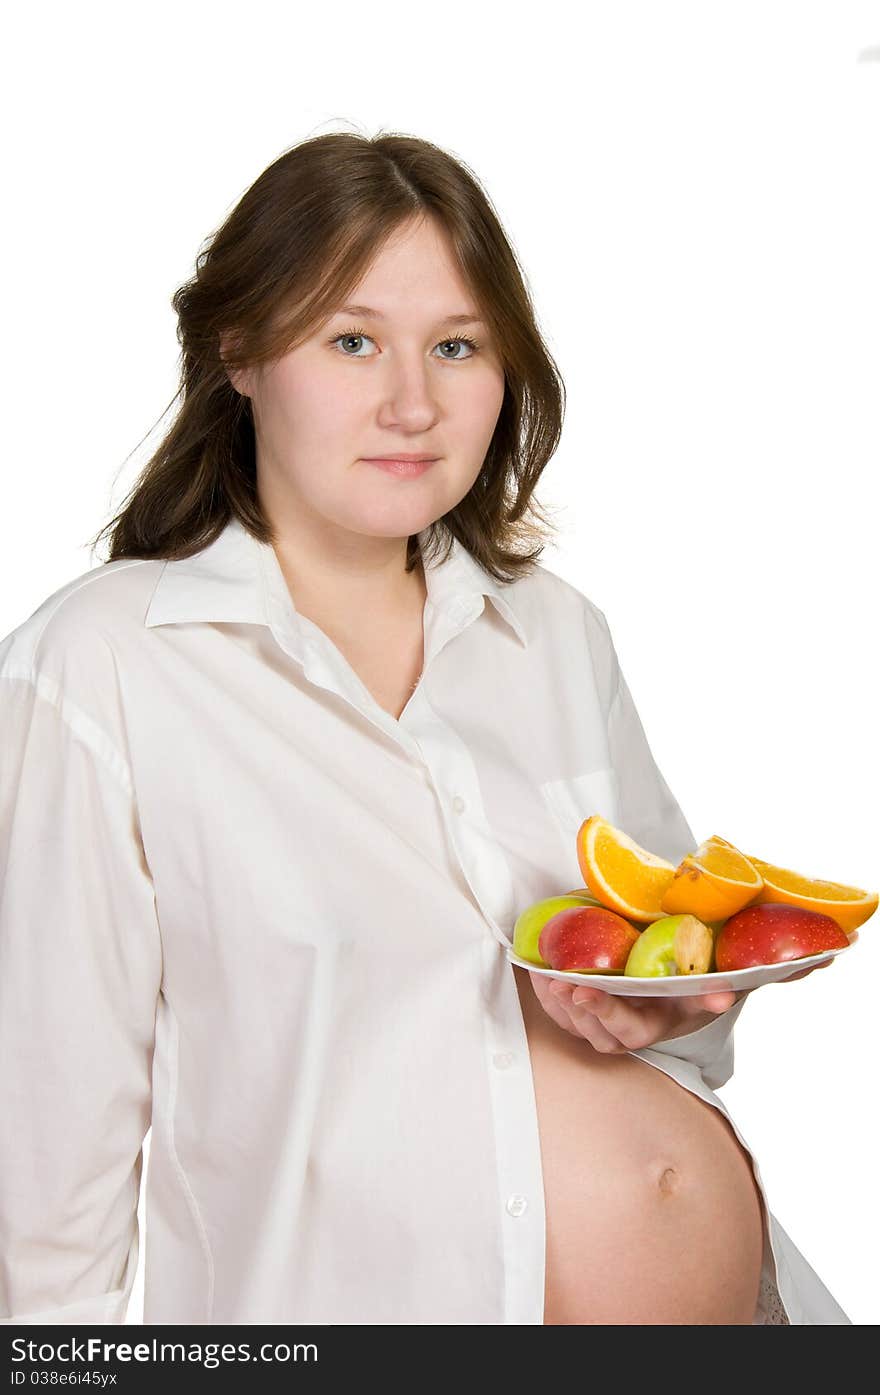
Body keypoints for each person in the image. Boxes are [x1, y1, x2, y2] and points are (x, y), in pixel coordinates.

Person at [0, 131, 851, 1326]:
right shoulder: (103, 668)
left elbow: (670, 1019)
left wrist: (670, 1008)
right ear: (237, 353)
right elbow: (45, 1153)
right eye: (353, 341)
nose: (412, 403)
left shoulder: (554, 633)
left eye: (455, 347)